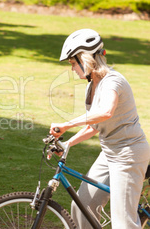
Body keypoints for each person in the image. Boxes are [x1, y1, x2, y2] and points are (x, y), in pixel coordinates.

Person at [50, 28, 150, 229]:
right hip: (109, 152)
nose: (72, 69)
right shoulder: (91, 86)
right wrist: (67, 143)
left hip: (128, 154)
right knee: (82, 206)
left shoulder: (113, 81)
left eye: (72, 63)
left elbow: (106, 112)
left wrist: (67, 124)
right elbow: (95, 125)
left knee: (123, 223)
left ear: (85, 59)